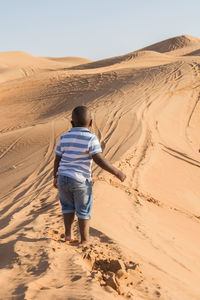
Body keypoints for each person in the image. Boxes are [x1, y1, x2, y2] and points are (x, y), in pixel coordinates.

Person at [53, 106, 126, 245]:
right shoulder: (91, 138)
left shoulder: (64, 137)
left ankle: (68, 234)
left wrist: (55, 177)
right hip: (81, 181)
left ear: (72, 123)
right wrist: (117, 172)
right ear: (91, 123)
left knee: (67, 207)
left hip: (63, 178)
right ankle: (84, 240)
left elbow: (57, 158)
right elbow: (98, 159)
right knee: (83, 210)